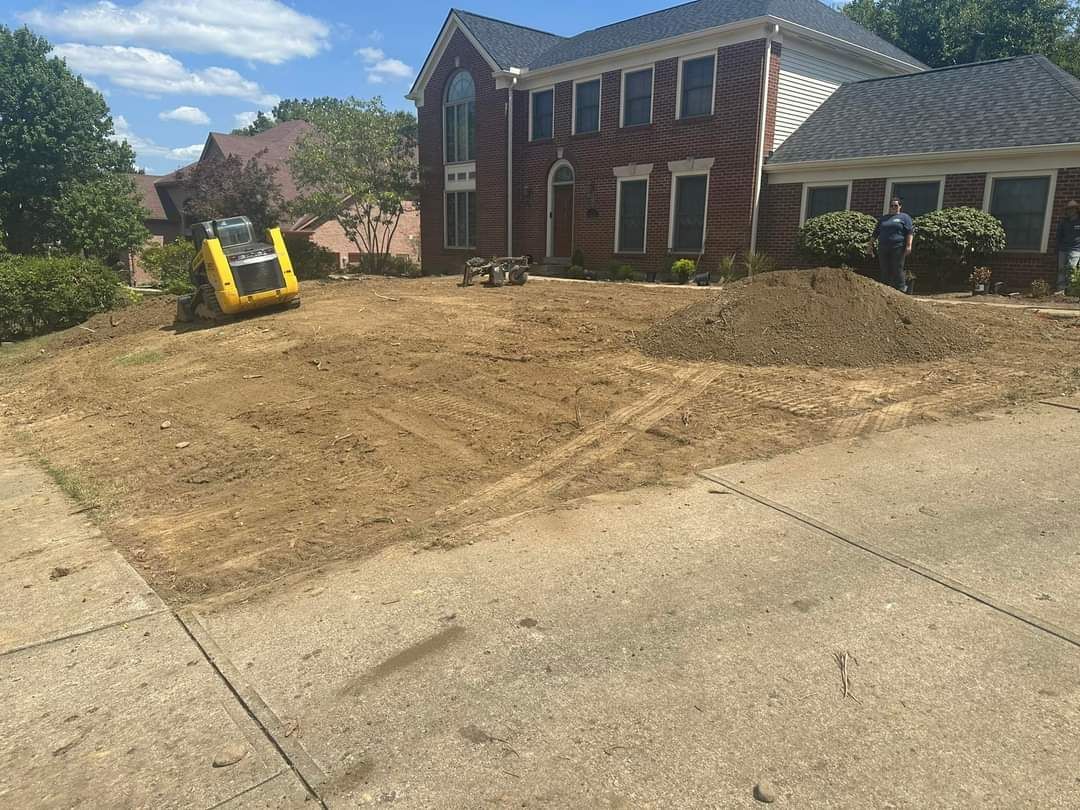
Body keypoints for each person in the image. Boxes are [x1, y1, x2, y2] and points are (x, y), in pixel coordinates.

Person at [872, 197, 914, 293]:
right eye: (891, 206)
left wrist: (909, 245)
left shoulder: (904, 217)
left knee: (897, 267)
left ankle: (901, 288)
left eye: (896, 205)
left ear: (900, 206)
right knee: (884, 267)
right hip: (883, 247)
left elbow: (909, 232)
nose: (893, 207)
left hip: (898, 246)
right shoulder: (884, 218)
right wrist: (870, 245)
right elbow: (875, 233)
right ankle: (884, 289)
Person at [1055, 200, 1080, 294]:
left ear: (1076, 210)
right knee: (1061, 269)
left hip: (1076, 249)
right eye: (1068, 209)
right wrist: (1057, 248)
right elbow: (1058, 236)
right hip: (1063, 249)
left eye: (1071, 209)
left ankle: (1071, 290)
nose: (1069, 211)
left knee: (1071, 268)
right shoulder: (1064, 222)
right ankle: (1060, 290)